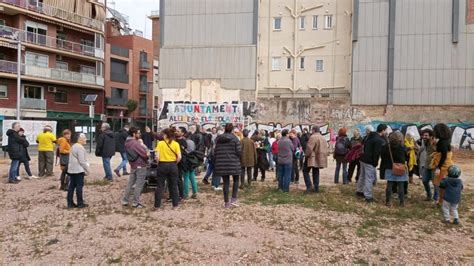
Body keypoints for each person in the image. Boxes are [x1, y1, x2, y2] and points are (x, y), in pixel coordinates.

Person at [213, 123, 242, 208]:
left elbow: (216, 152)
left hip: (222, 163)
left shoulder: (218, 139)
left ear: (225, 129)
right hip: (234, 163)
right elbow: (239, 152)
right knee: (236, 180)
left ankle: (226, 203)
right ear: (232, 130)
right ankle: (233, 199)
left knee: (226, 182)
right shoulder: (235, 139)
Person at [356, 124, 387, 203]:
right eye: (385, 130)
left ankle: (359, 191)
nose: (386, 132)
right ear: (383, 130)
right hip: (369, 161)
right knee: (369, 178)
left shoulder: (369, 136)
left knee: (362, 176)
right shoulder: (378, 140)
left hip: (363, 159)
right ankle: (368, 196)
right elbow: (376, 153)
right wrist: (375, 163)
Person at [154, 128, 181, 209]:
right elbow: (179, 157)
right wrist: (175, 163)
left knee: (160, 186)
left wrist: (159, 163)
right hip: (173, 165)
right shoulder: (176, 144)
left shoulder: (160, 143)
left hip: (162, 164)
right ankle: (175, 205)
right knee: (174, 185)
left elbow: (157, 157)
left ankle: (157, 206)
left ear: (165, 135)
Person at [122, 127, 149, 209]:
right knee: (139, 185)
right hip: (140, 165)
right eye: (138, 133)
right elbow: (145, 154)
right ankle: (135, 203)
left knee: (130, 183)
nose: (139, 134)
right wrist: (145, 149)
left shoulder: (127, 142)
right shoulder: (135, 143)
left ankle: (125, 200)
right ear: (134, 134)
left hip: (133, 165)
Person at [380, 131, 408, 207]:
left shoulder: (387, 146)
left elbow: (383, 156)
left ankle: (388, 201)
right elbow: (406, 157)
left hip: (389, 167)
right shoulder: (403, 147)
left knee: (389, 184)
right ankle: (402, 202)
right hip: (400, 167)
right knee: (401, 185)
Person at [431, 123, 454, 205]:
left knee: (442, 185)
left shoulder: (443, 142)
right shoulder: (443, 141)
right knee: (441, 185)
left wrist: (438, 167)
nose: (434, 132)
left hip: (444, 167)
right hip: (444, 166)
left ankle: (442, 202)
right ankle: (442, 201)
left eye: (435, 131)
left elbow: (443, 156)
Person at [67, 133, 89, 208]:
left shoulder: (74, 146)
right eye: (84, 138)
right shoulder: (80, 147)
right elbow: (82, 161)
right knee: (79, 186)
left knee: (71, 186)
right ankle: (80, 203)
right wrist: (87, 169)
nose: (86, 139)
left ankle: (69, 203)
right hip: (78, 170)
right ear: (80, 139)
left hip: (72, 169)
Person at [304, 126, 328, 193]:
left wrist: (306, 155)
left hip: (312, 157)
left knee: (305, 171)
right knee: (316, 172)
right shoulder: (323, 137)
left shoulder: (313, 137)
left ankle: (309, 186)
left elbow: (309, 148)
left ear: (314, 130)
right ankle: (316, 187)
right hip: (319, 157)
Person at [418, 129, 437, 201]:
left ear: (431, 136)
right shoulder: (424, 142)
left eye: (426, 135)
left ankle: (436, 198)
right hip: (427, 164)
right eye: (423, 135)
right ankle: (429, 195)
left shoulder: (434, 142)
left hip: (434, 165)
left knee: (435, 182)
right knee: (424, 180)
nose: (424, 137)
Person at [182, 132, 199, 199]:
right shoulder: (192, 142)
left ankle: (186, 194)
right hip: (192, 160)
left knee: (186, 177)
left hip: (186, 161)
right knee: (192, 177)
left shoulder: (185, 142)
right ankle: (195, 192)